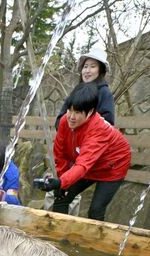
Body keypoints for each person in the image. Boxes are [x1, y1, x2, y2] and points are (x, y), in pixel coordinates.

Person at [38, 83, 131, 222]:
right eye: (70, 110)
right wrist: (60, 182)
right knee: (61, 195)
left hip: (113, 166)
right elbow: (60, 154)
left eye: (78, 112)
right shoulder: (65, 121)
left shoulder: (98, 129)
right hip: (87, 163)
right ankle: (58, 237)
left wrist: (61, 181)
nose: (71, 117)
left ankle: (95, 242)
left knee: (95, 210)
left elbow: (82, 165)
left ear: (90, 112)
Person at [55, 46, 115, 129]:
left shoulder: (104, 92)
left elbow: (108, 123)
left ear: (100, 71)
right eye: (85, 66)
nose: (87, 71)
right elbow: (60, 120)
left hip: (93, 139)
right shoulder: (77, 91)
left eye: (93, 66)